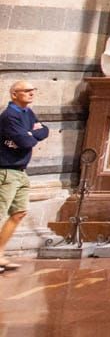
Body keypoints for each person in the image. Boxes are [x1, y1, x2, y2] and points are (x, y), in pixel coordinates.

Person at [1, 81, 49, 271]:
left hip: (21, 171)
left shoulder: (27, 112)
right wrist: (31, 134)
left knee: (19, 213)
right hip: (5, 171)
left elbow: (44, 130)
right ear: (14, 94)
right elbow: (24, 141)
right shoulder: (9, 116)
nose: (31, 93)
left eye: (33, 90)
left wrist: (32, 134)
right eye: (27, 91)